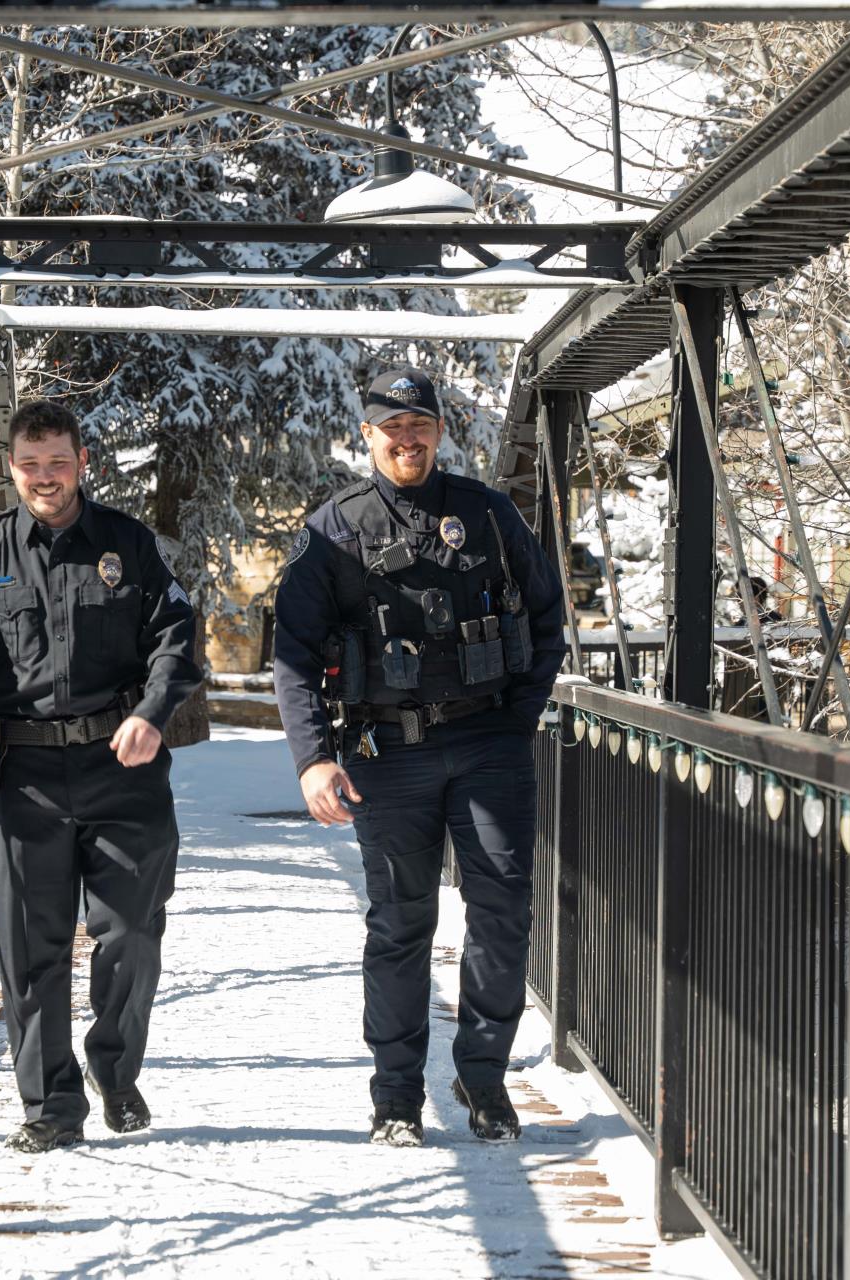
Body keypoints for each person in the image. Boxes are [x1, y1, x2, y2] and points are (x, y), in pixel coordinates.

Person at [272, 367, 566, 1148]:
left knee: (503, 915)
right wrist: (312, 758)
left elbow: (546, 618)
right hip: (384, 749)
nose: (407, 438)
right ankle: (397, 1096)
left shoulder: (489, 515)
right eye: (390, 426)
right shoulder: (332, 529)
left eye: (420, 424)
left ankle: (484, 1079)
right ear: (367, 435)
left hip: (487, 743)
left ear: (439, 431)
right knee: (400, 925)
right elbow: (294, 654)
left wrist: (518, 718)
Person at [0, 397, 200, 1154]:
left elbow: (177, 639)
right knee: (31, 948)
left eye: (58, 463)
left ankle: (115, 1067)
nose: (45, 478)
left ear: (82, 464)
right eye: (30, 466)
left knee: (131, 934)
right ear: (12, 470)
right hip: (25, 776)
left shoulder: (127, 546)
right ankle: (50, 1107)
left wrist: (152, 710)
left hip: (123, 765)